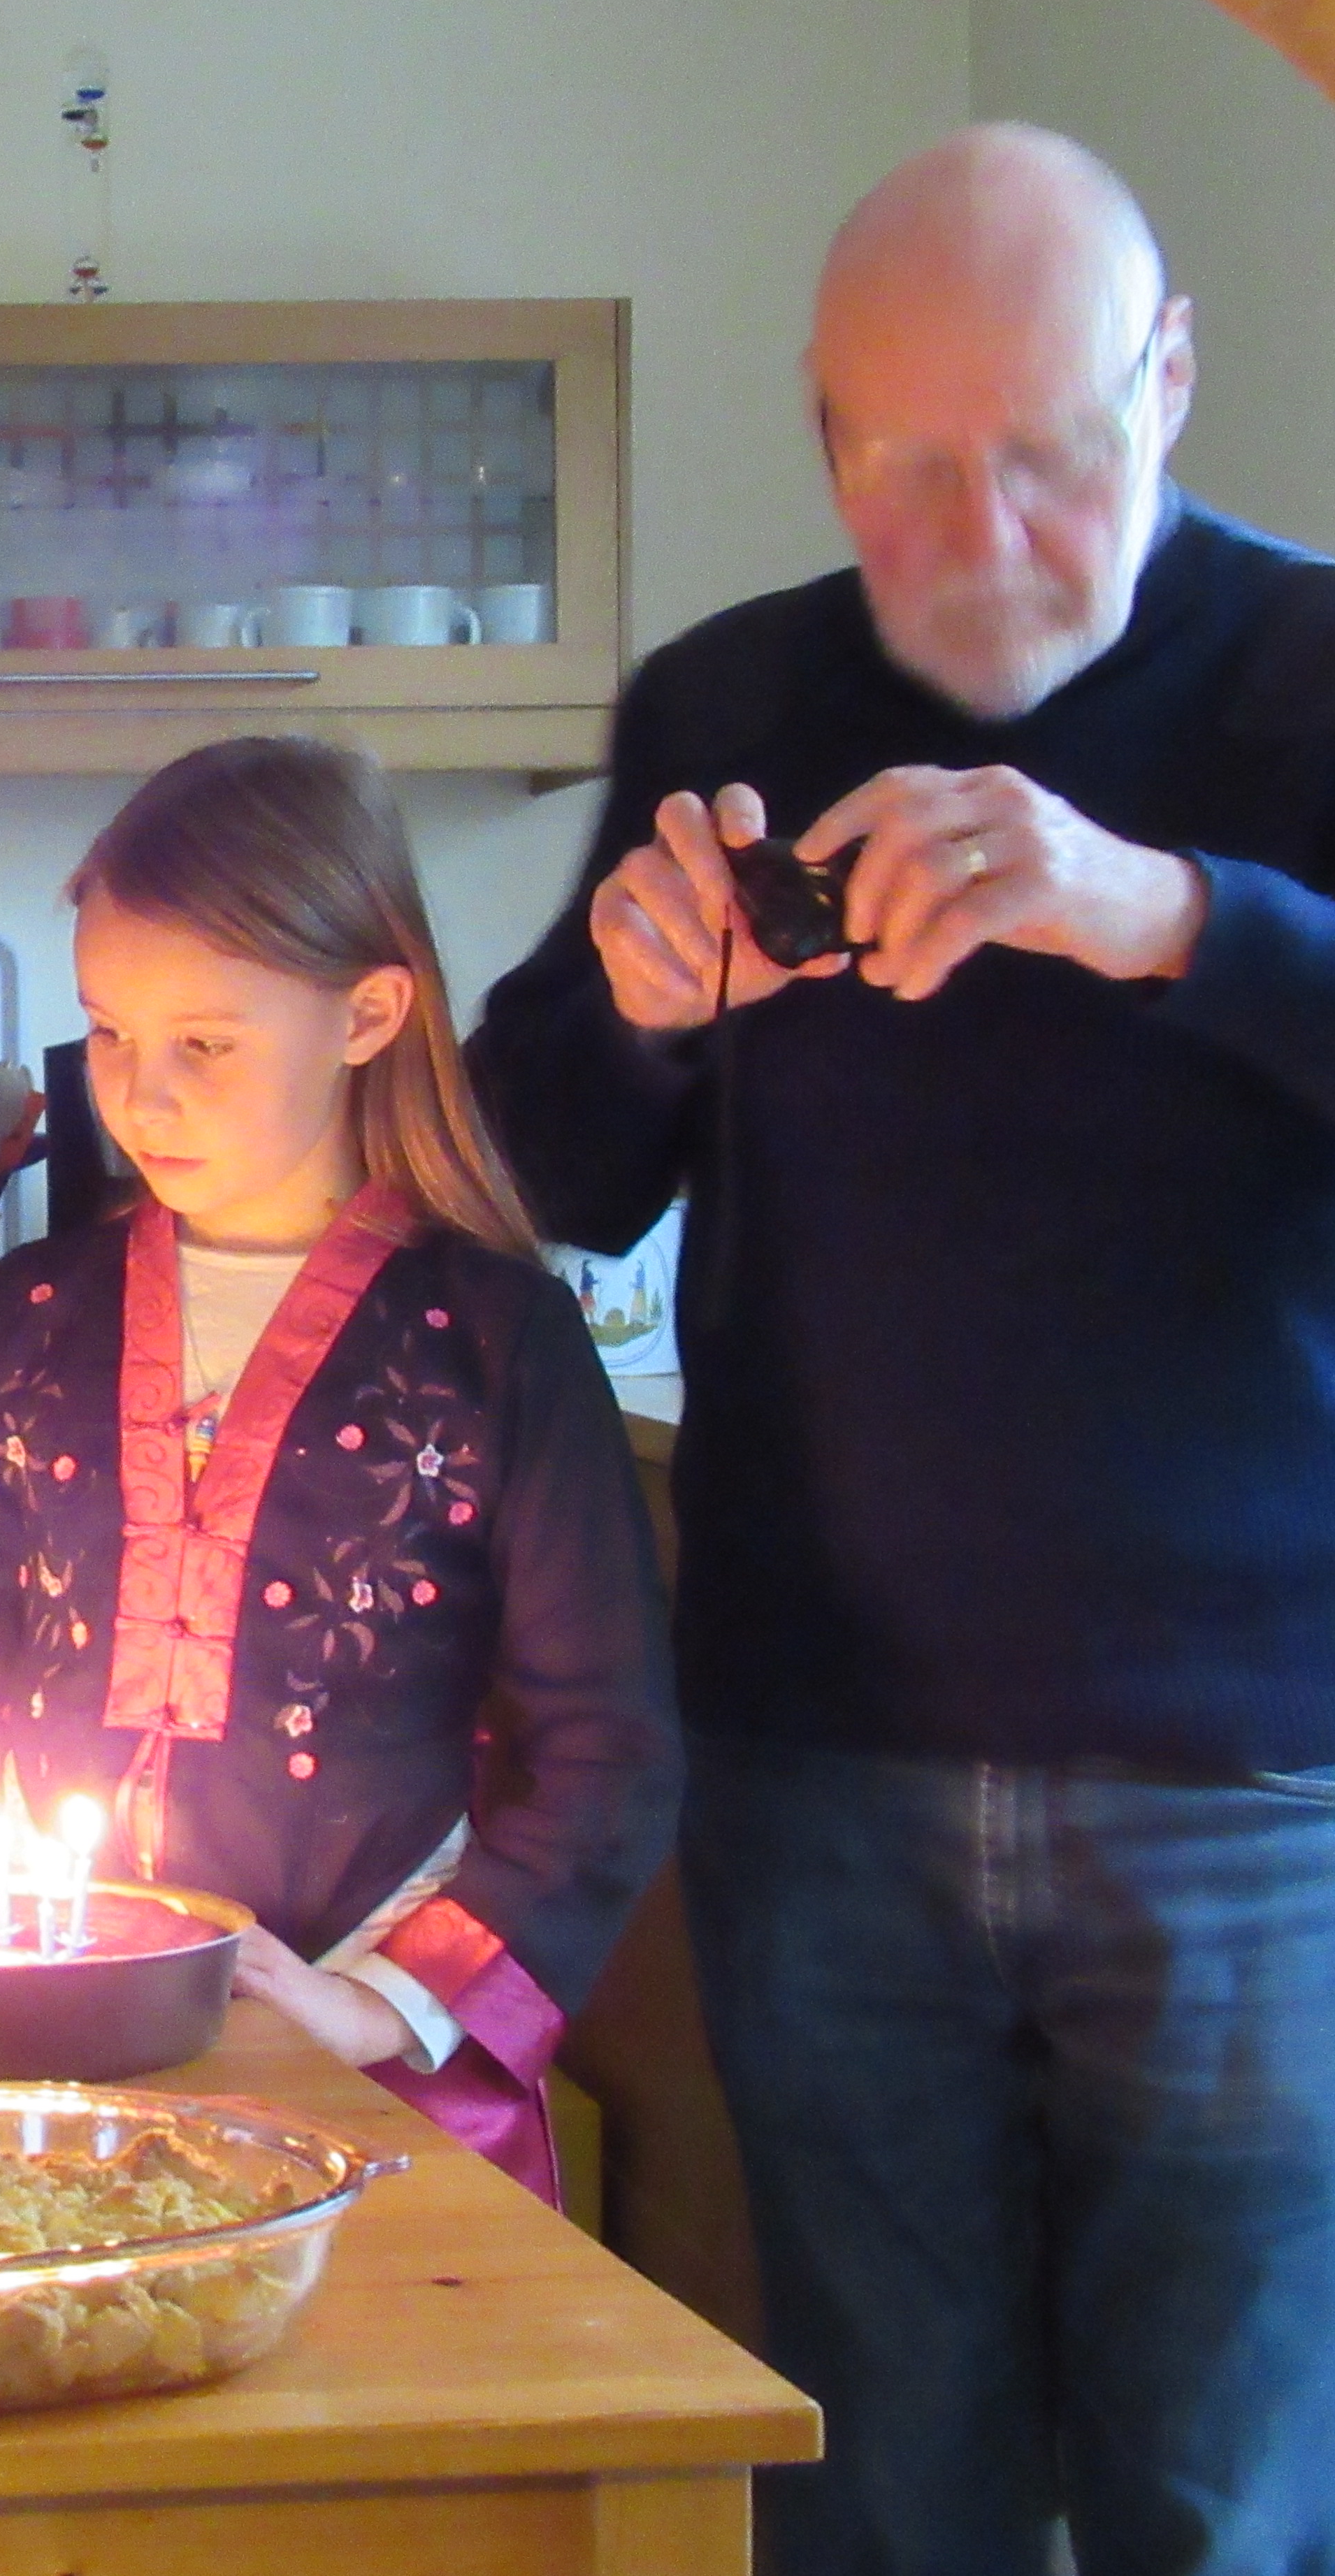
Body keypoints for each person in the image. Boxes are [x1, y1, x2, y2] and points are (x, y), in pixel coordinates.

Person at [470, 124, 1335, 2573]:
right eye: (911, 471)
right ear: (822, 434)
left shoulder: (1311, 673)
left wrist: (1167, 914)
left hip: (1257, 1783)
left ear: (1172, 382)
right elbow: (541, 1173)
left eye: (1051, 458)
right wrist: (635, 1004)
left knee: (1226, 2506)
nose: (988, 539)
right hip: (820, 1759)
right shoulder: (726, 695)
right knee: (872, 2489)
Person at [0, 739, 674, 2200]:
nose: (140, 1094)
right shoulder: (26, 1319)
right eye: (110, 1033)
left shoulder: (497, 1340)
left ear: (368, 1015)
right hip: (50, 2071)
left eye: (206, 1045)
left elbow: (609, 1754)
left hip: (385, 2087)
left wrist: (374, 2004)